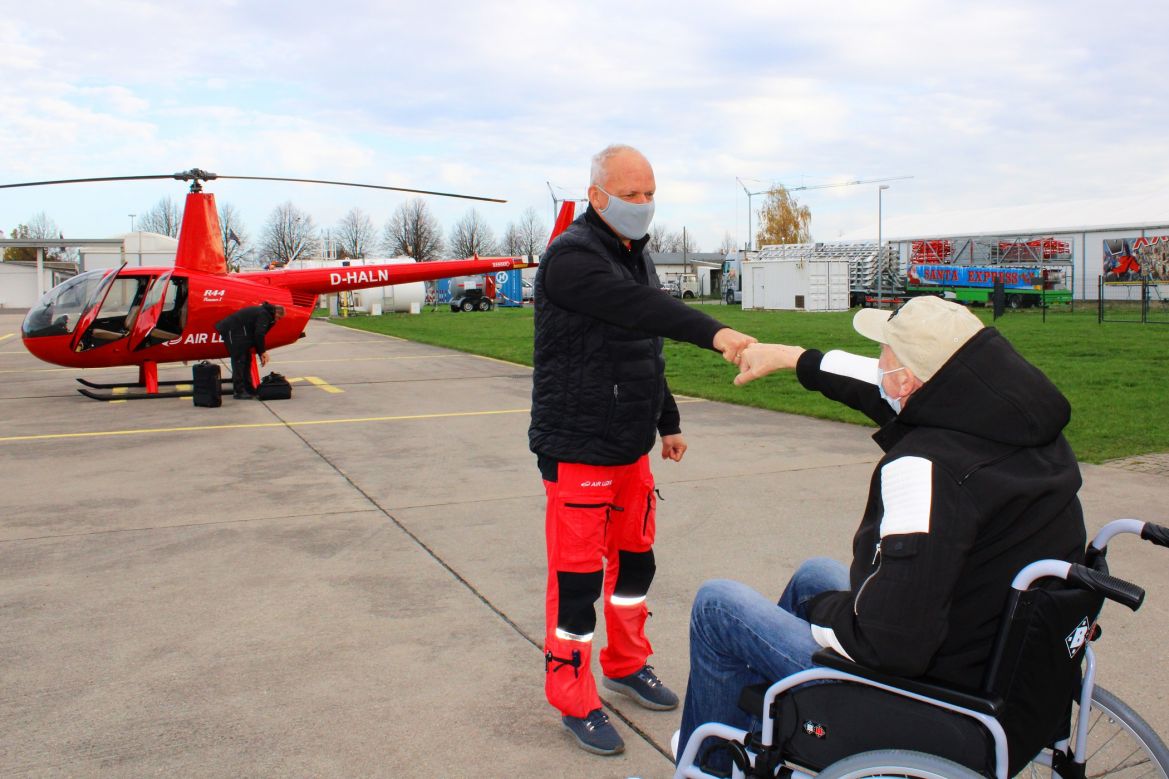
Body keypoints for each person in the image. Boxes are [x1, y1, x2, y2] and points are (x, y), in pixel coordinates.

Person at [677, 296, 1087, 770]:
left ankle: (706, 764)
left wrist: (824, 612)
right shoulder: (1020, 430)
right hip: (996, 670)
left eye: (884, 355)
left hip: (931, 702)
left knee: (718, 607)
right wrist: (790, 357)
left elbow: (890, 643)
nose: (877, 366)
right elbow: (878, 387)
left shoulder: (928, 468)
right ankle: (759, 737)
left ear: (909, 379)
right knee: (815, 573)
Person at [530, 143, 756, 756]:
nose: (643, 205)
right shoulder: (572, 260)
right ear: (597, 195)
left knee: (635, 565)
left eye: (650, 193)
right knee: (576, 584)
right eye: (630, 195)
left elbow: (644, 347)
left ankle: (626, 662)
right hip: (579, 448)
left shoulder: (637, 254)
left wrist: (668, 421)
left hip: (629, 447)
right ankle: (572, 695)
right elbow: (641, 308)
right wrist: (716, 332)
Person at [214, 302, 284, 399]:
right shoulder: (264, 315)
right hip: (233, 331)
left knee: (247, 361)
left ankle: (248, 389)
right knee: (239, 361)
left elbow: (257, 336)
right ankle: (239, 391)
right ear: (276, 313)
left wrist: (260, 353)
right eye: (279, 318)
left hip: (241, 334)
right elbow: (259, 334)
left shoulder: (266, 314)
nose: (278, 320)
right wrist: (263, 352)